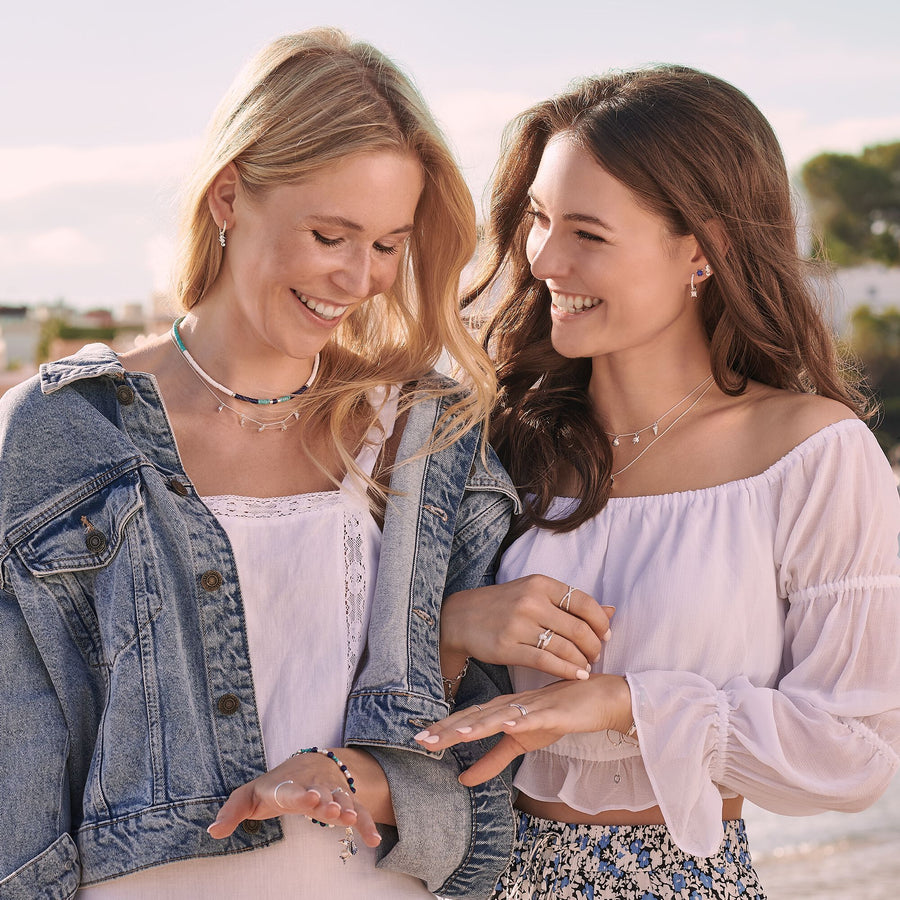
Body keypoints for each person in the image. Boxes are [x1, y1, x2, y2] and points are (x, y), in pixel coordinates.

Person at [0, 28, 522, 899]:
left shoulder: (428, 434)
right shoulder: (62, 431)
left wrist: (364, 760)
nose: (360, 279)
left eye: (390, 244)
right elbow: (16, 783)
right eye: (331, 234)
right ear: (229, 196)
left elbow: (480, 785)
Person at [415, 65, 900, 899]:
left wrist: (628, 704)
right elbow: (371, 691)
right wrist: (454, 629)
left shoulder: (812, 452)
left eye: (588, 235)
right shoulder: (492, 441)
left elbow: (853, 754)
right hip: (472, 875)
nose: (543, 260)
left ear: (701, 250)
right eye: (537, 219)